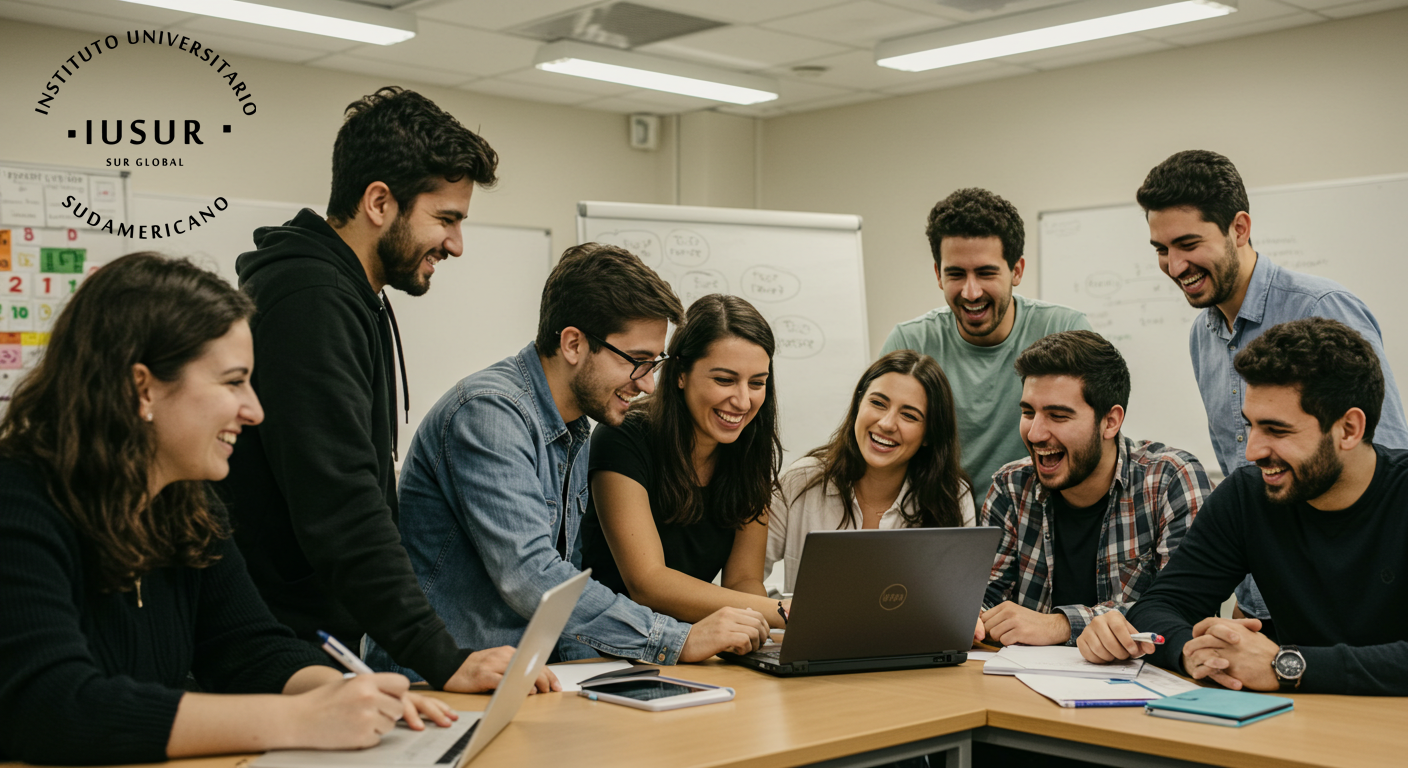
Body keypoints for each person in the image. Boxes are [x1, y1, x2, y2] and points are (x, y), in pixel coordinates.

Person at [0, 254, 453, 765]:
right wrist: (303, 719)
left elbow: (250, 649)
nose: (254, 409)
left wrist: (342, 695)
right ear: (142, 387)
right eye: (233, 381)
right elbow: (52, 707)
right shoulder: (20, 499)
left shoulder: (185, 502)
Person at [217, 86, 531, 692]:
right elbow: (341, 499)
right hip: (276, 647)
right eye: (446, 219)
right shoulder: (313, 301)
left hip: (310, 635)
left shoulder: (341, 294)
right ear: (380, 202)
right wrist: (442, 657)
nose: (456, 244)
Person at [366, 244, 771, 675]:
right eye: (637, 362)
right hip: (436, 684)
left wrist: (610, 678)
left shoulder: (574, 427)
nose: (650, 385)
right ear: (574, 344)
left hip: (524, 678)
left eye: (655, 364)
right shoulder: (489, 413)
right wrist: (676, 639)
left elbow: (566, 587)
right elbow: (531, 575)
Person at [1137, 149, 1408, 622]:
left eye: (1188, 243)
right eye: (1162, 250)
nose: (1175, 266)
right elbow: (1243, 473)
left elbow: (1381, 468)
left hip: (1343, 598)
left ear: (1239, 229)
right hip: (1263, 594)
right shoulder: (1203, 335)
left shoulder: (1325, 308)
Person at [1109, 318, 1408, 695]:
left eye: (1277, 430)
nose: (1253, 451)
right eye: (1251, 426)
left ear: (1348, 429)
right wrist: (1196, 653)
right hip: (1291, 724)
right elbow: (1160, 607)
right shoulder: (1248, 496)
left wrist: (1285, 666)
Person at [982, 331, 1212, 655]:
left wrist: (1062, 624)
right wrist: (972, 618)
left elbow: (1182, 613)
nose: (1034, 433)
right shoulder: (1010, 486)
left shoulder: (1170, 481)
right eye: (1028, 412)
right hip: (1024, 685)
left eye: (1058, 416)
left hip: (1138, 690)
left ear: (1110, 421)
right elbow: (987, 597)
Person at [581, 294, 786, 626]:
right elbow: (648, 583)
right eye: (724, 380)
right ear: (680, 374)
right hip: (605, 643)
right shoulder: (622, 437)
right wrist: (786, 614)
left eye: (757, 383)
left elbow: (743, 581)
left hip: (694, 642)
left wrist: (764, 624)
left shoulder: (750, 451)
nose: (743, 400)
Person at [881, 187, 1092, 503]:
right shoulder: (911, 343)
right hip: (942, 524)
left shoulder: (1065, 330)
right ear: (938, 274)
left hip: (1042, 522)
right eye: (956, 274)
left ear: (1016, 271)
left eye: (985, 273)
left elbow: (1092, 442)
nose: (971, 292)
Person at [767, 349, 976, 594]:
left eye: (909, 415)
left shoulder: (952, 494)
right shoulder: (800, 481)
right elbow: (744, 580)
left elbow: (959, 599)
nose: (887, 424)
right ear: (858, 405)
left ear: (930, 434)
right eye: (877, 403)